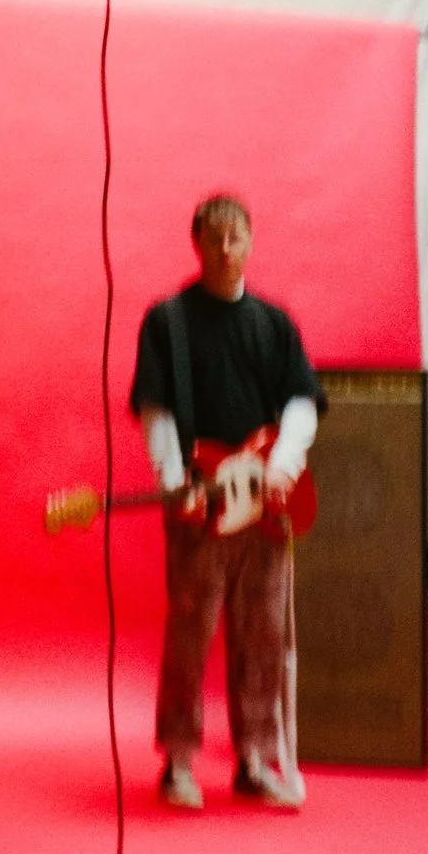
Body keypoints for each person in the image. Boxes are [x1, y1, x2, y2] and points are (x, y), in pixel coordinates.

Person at [130, 193, 322, 811]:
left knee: (263, 633)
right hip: (199, 500)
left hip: (264, 506)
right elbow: (155, 407)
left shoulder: (274, 324)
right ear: (196, 242)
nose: (225, 249)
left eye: (236, 237)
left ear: (252, 241)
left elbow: (299, 401)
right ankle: (179, 762)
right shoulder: (169, 323)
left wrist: (284, 464)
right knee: (190, 630)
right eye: (214, 238)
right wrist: (171, 478)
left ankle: (253, 759)